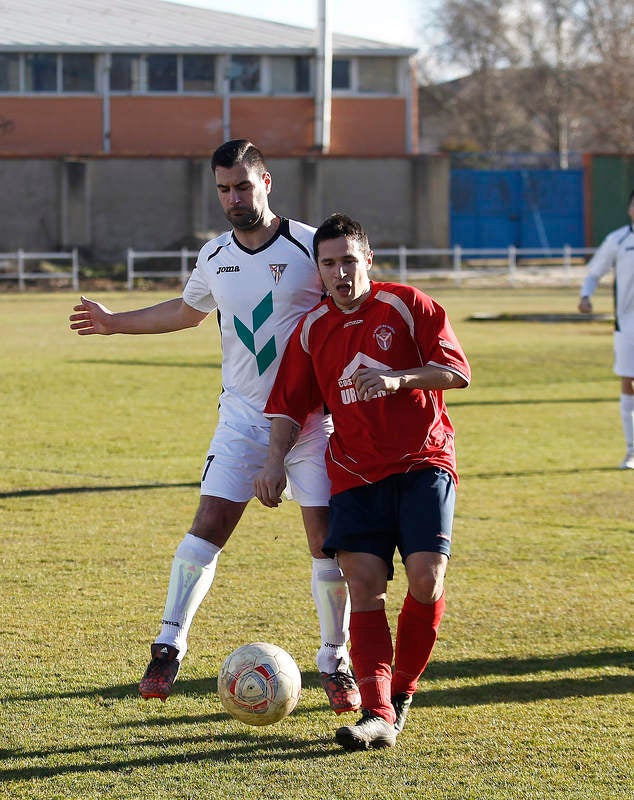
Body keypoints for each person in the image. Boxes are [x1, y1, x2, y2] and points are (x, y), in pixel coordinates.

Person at [69, 140, 360, 715]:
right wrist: (113, 325)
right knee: (208, 523)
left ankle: (335, 660)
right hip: (242, 420)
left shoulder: (309, 246)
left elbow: (353, 302)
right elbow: (184, 311)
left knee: (326, 541)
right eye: (224, 188)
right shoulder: (215, 254)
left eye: (243, 187)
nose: (233, 198)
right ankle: (168, 645)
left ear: (267, 182)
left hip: (311, 422)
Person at [254, 213, 471, 750]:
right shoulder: (312, 329)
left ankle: (400, 692)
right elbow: (288, 405)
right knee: (362, 584)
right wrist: (273, 460)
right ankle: (377, 713)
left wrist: (400, 378)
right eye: (328, 264)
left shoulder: (406, 303)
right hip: (352, 473)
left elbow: (457, 371)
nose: (339, 273)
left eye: (349, 261)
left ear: (367, 260)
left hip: (422, 463)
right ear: (319, 269)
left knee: (427, 581)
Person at [578, 189, 634, 470]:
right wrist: (586, 296)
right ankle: (631, 450)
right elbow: (594, 272)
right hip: (628, 325)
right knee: (629, 384)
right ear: (630, 208)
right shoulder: (619, 239)